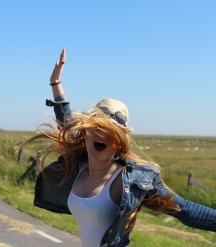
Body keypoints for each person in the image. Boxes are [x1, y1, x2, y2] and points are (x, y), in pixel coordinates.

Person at [22, 48, 216, 247]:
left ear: (119, 141)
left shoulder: (132, 179)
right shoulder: (81, 163)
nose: (101, 134)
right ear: (86, 132)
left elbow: (185, 210)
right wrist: (56, 83)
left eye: (111, 132)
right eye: (96, 127)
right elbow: (66, 120)